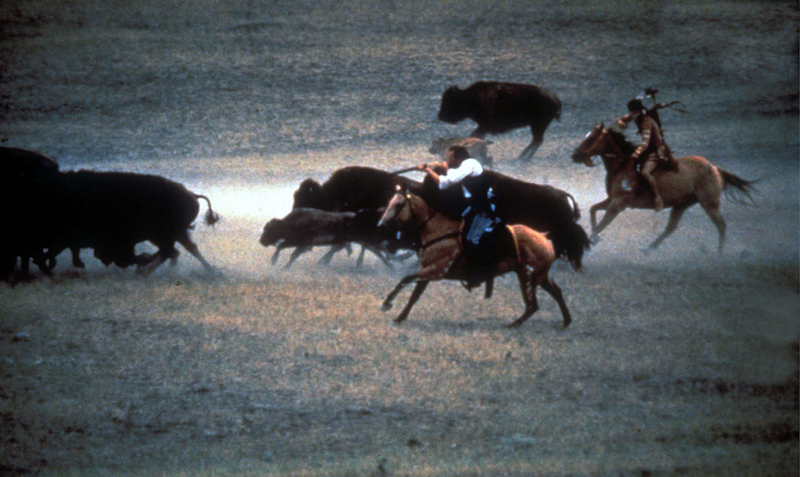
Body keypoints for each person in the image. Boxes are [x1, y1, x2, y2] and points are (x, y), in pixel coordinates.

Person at [419, 145, 503, 289]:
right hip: (473, 207)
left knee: (471, 240)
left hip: (484, 209)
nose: (447, 160)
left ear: (458, 158)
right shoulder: (463, 167)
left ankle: (480, 273)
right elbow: (449, 179)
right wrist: (443, 169)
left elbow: (446, 182)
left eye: (450, 157)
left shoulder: (470, 164)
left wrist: (428, 170)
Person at [616, 98, 675, 212]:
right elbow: (621, 119)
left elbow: (645, 142)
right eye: (631, 111)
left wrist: (636, 153)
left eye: (633, 111)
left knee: (645, 172)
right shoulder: (635, 115)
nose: (632, 113)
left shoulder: (646, 122)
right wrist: (621, 123)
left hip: (656, 150)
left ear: (638, 110)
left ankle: (658, 198)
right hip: (647, 149)